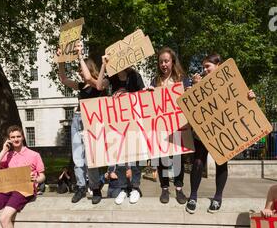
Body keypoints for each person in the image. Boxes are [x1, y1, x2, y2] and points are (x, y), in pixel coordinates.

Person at [186, 54, 255, 214]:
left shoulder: (230, 82)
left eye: (207, 66)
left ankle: (217, 197)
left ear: (218, 65)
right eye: (203, 67)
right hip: (202, 132)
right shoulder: (198, 83)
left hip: (222, 131)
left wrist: (250, 97)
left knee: (221, 163)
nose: (204, 70)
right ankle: (193, 196)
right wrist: (193, 89)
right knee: (197, 163)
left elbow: (240, 102)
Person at [58, 44, 106, 205]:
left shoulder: (100, 83)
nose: (79, 72)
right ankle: (80, 187)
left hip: (91, 121)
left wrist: (80, 55)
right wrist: (61, 61)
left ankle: (95, 188)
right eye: (78, 69)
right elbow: (64, 79)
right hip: (78, 120)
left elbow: (88, 78)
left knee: (90, 158)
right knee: (78, 157)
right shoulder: (80, 86)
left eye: (81, 68)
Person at [97, 59, 145, 205]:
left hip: (133, 121)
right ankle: (124, 188)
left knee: (135, 154)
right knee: (120, 154)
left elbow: (143, 97)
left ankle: (135, 187)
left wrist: (126, 94)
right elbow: (99, 86)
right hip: (117, 122)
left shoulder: (135, 76)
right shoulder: (111, 77)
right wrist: (103, 65)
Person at [150, 47, 191, 204]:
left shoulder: (182, 79)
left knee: (178, 158)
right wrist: (149, 93)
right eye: (161, 62)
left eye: (166, 61)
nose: (163, 64)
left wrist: (188, 90)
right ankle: (165, 188)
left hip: (179, 126)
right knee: (162, 158)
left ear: (172, 61)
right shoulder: (155, 81)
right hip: (161, 127)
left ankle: (179, 189)